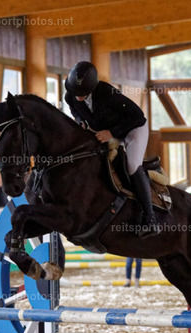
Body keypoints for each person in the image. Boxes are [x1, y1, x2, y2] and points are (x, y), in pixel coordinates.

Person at [64, 61, 159, 237]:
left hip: (132, 129)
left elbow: (138, 116)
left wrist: (112, 133)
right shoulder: (70, 96)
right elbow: (75, 112)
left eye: (82, 93)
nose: (77, 96)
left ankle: (150, 218)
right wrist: (80, 121)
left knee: (132, 165)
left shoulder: (107, 93)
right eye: (75, 92)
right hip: (104, 132)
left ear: (92, 87)